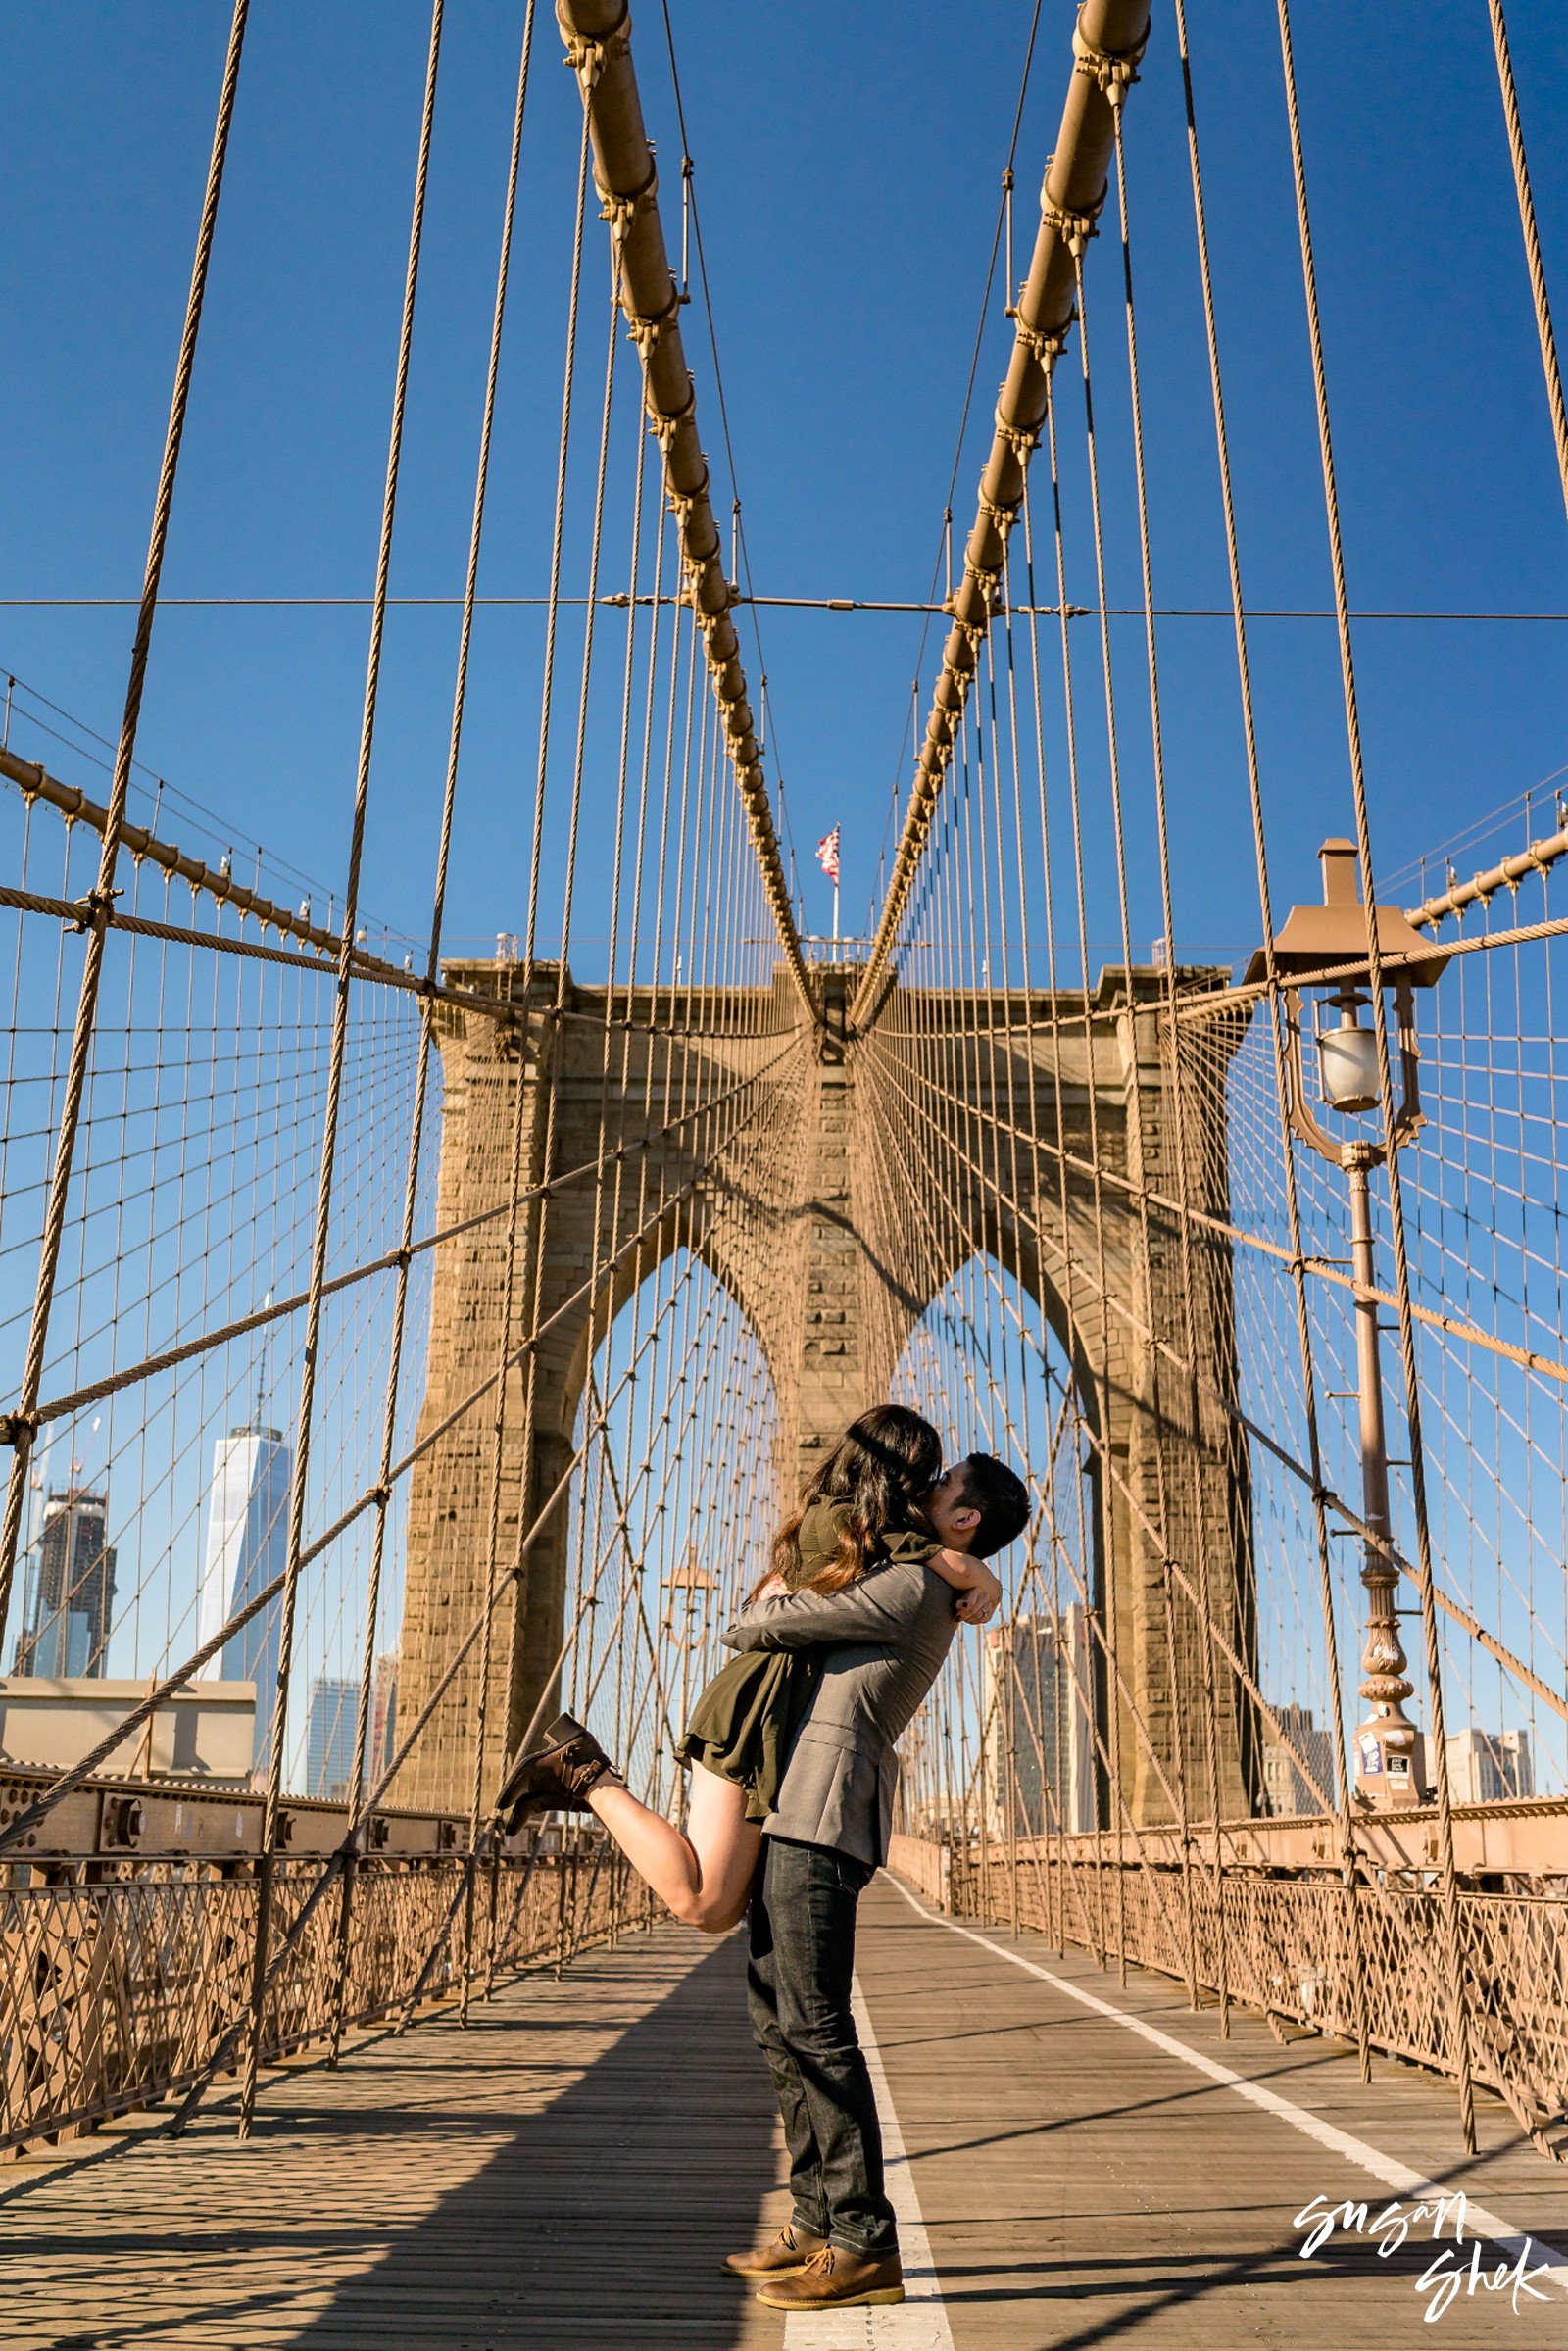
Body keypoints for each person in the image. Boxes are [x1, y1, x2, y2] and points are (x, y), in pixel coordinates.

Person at [500, 1420, 1031, 2318]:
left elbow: (763, 1620)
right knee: (780, 2024)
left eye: (942, 1487)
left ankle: (861, 2240)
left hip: (823, 1817)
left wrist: (955, 1571)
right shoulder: (924, 1572)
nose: (926, 1487)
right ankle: (817, 2221)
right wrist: (973, 1570)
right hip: (798, 1809)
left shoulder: (908, 1587)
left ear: (965, 1515)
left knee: (816, 2027)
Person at [495, 1407, 1003, 1937]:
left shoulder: (858, 1528)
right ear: (890, 1472)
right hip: (749, 1709)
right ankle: (584, 1773)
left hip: (774, 1712)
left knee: (731, 1901)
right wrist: (973, 1568)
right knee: (704, 1904)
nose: (926, 1490)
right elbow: (911, 1554)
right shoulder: (845, 1522)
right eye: (926, 1477)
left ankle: (583, 1779)